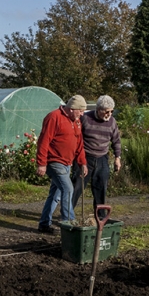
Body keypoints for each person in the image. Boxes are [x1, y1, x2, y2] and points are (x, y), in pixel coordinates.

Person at [36, 95, 88, 234]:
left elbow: (79, 144)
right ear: (72, 109)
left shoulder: (76, 121)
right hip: (54, 161)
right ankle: (69, 224)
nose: (82, 114)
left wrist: (82, 162)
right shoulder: (54, 117)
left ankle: (44, 224)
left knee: (55, 194)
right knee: (68, 189)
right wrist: (41, 163)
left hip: (67, 163)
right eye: (81, 111)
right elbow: (43, 141)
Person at [72, 95, 121, 220]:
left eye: (111, 111)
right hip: (85, 157)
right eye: (106, 111)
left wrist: (117, 158)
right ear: (98, 109)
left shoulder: (112, 122)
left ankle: (100, 217)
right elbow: (76, 137)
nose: (109, 114)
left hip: (102, 158)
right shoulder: (86, 118)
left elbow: (116, 140)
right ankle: (67, 214)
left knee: (101, 187)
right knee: (77, 187)